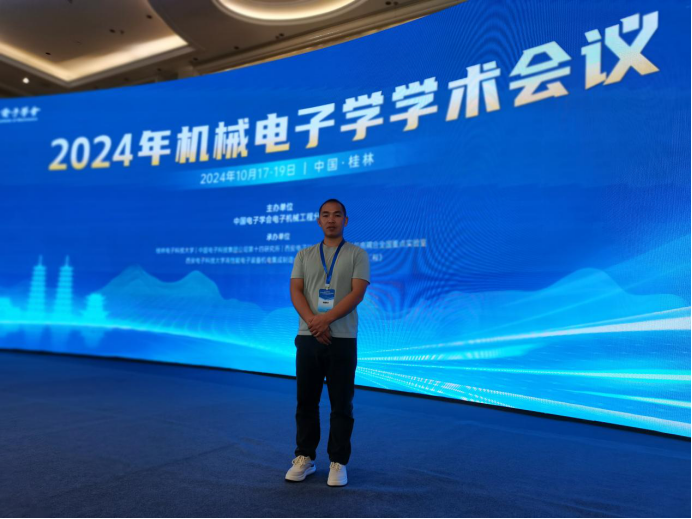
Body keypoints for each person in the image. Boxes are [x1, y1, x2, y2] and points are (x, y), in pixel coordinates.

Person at [285, 198, 370, 487]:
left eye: (336, 215)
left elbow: (357, 293)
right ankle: (305, 457)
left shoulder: (357, 254)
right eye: (325, 215)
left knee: (341, 403)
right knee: (306, 401)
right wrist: (314, 321)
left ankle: (338, 461)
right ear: (318, 221)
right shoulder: (304, 254)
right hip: (308, 336)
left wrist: (325, 320)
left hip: (342, 339)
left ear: (345, 220)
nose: (331, 219)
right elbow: (296, 291)